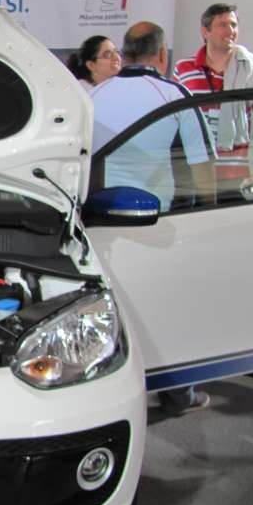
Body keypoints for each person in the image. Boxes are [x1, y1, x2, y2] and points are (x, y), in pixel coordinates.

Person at [91, 21, 214, 415]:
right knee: (172, 308)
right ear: (162, 55)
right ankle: (178, 393)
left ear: (125, 54)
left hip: (98, 224)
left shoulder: (94, 95)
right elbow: (203, 172)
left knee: (111, 310)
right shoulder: (175, 96)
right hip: (158, 224)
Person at [172, 3, 253, 183]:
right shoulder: (184, 68)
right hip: (193, 173)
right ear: (205, 32)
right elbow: (174, 121)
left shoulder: (252, 67)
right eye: (223, 25)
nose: (230, 30)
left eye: (234, 25)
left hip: (235, 175)